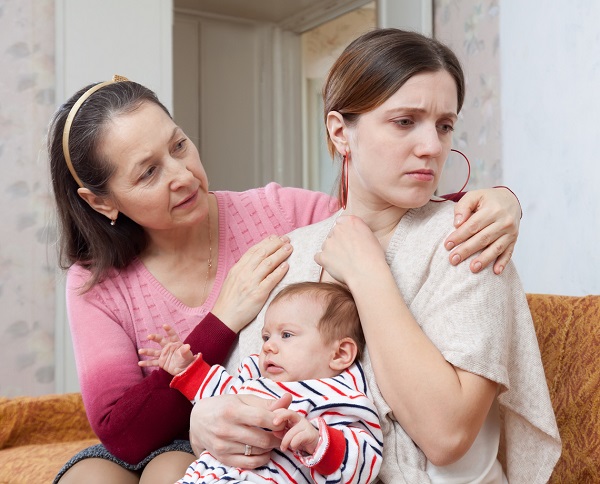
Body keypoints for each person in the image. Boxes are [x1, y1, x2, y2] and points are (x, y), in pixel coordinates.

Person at [47, 70, 522, 483]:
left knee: (169, 473)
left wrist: (500, 201)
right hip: (186, 428)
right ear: (100, 201)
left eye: (179, 145)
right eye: (149, 172)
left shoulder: (280, 213)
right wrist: (222, 321)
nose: (183, 175)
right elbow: (123, 434)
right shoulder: (96, 281)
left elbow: (384, 216)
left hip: (232, 446)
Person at [188, 29, 562, 483]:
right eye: (405, 121)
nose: (432, 146)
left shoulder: (468, 239)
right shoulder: (293, 252)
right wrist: (204, 424)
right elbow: (240, 398)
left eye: (445, 125)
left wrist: (368, 274)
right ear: (340, 131)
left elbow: (447, 436)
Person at [142, 281, 382, 483]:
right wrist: (186, 369)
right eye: (266, 336)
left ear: (340, 354)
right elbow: (219, 394)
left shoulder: (339, 398)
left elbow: (366, 462)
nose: (268, 345)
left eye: (286, 335)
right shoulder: (255, 378)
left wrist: (318, 441)